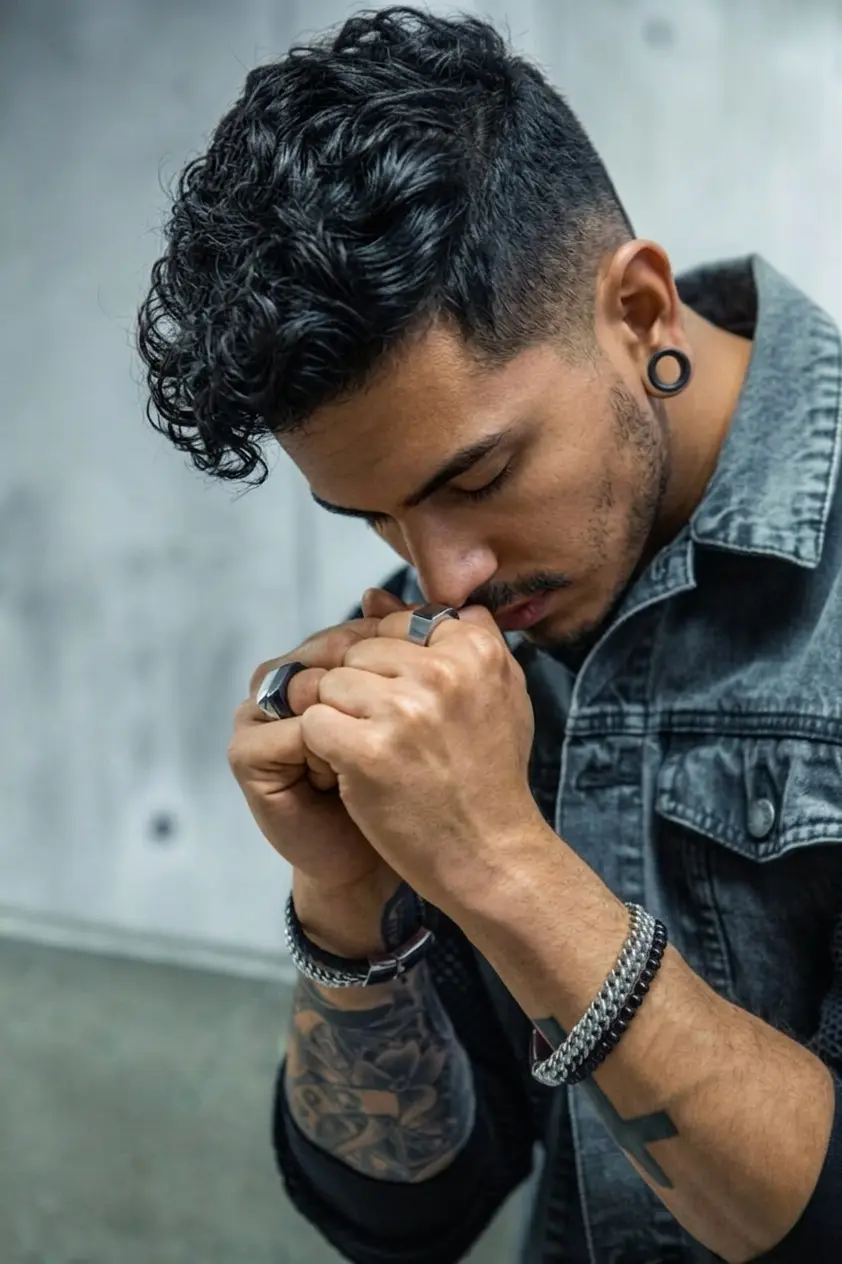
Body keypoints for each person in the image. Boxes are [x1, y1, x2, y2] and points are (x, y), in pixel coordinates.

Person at [136, 7, 842, 1261]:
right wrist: (350, 903)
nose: (442, 576)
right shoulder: (475, 639)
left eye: (476, 477)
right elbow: (405, 1218)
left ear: (636, 309)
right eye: (376, 517)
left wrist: (502, 861)